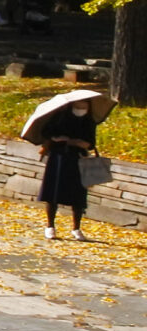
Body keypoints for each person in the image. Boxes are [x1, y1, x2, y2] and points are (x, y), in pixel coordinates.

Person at [37, 93, 105, 240]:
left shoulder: (88, 121)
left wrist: (75, 142)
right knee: (53, 192)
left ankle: (76, 228)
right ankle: (50, 226)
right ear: (72, 105)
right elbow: (47, 133)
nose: (82, 108)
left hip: (79, 158)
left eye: (85, 105)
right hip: (59, 157)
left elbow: (90, 142)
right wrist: (58, 139)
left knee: (78, 195)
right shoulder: (60, 117)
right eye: (79, 105)